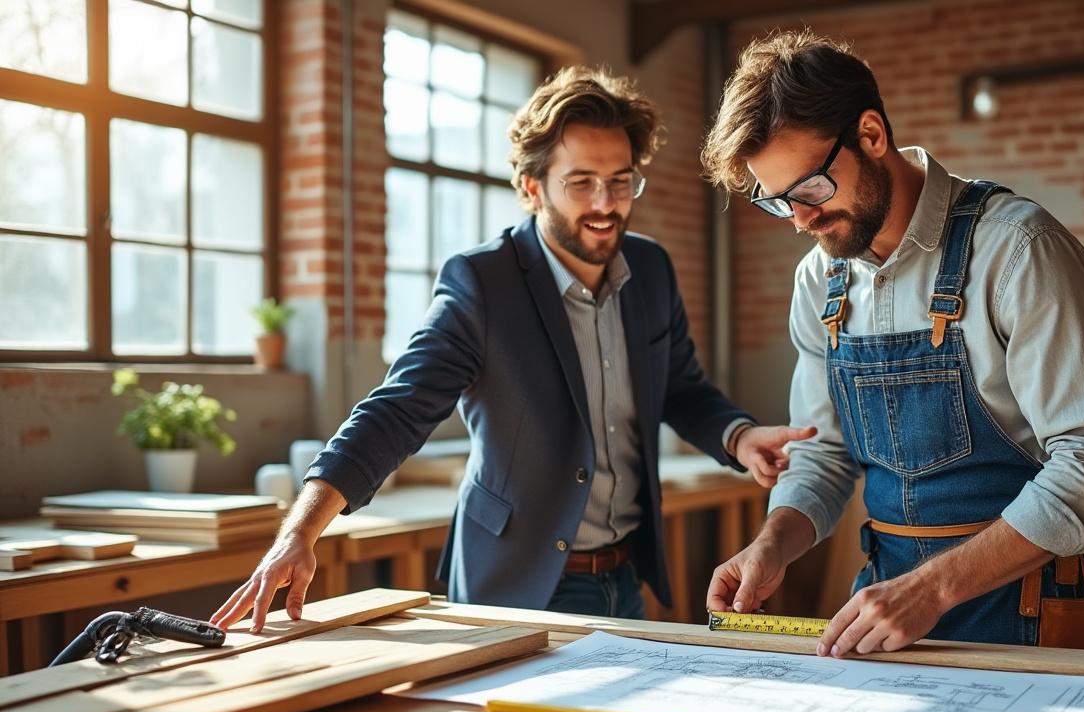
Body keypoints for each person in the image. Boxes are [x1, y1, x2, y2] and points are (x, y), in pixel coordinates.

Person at [212, 66, 811, 632]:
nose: (606, 203)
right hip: (520, 583)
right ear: (532, 188)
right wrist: (300, 531)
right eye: (580, 182)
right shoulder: (482, 283)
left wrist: (737, 435)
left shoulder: (650, 268)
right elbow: (397, 409)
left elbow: (680, 387)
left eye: (621, 181)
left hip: (626, 574)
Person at [700, 32, 1084, 655]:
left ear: (872, 135)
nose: (800, 221)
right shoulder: (819, 280)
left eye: (811, 189)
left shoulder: (1017, 250)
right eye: (777, 204)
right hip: (884, 613)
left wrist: (931, 590)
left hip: (1027, 614)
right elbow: (824, 457)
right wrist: (774, 541)